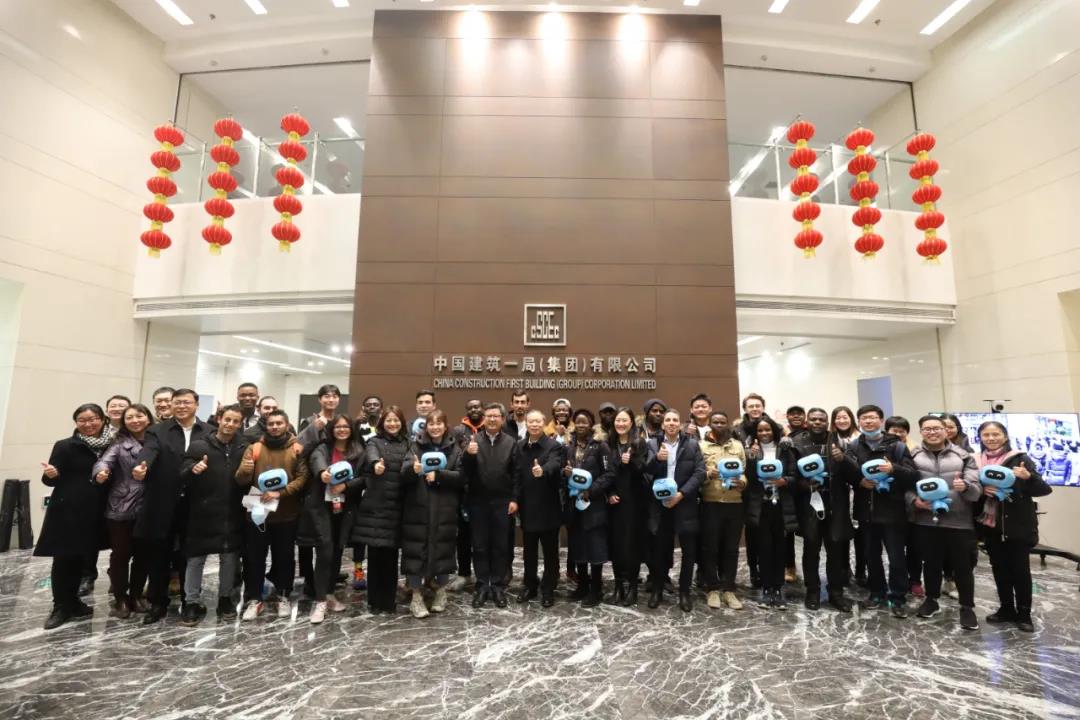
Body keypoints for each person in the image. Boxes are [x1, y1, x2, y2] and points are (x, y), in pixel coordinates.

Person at [133, 388, 211, 624]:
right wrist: (142, 466)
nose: (181, 406)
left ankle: (190, 602)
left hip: (196, 503)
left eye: (186, 402)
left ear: (196, 405)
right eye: (177, 402)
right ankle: (158, 602)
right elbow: (150, 451)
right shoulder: (157, 431)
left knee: (190, 555)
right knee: (159, 553)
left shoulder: (209, 431)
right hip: (163, 502)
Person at [837, 404, 919, 618]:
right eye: (864, 418)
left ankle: (898, 597)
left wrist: (894, 469)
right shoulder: (854, 446)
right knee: (871, 556)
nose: (868, 421)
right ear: (859, 422)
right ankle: (876, 593)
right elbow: (848, 474)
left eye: (872, 418)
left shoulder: (897, 445)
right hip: (866, 510)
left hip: (893, 510)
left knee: (896, 557)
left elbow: (913, 475)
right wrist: (859, 481)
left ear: (881, 421)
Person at [37, 403, 111, 630]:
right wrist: (51, 474)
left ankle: (74, 602)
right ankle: (60, 606)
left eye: (93, 419)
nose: (88, 424)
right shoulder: (66, 445)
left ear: (102, 420)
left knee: (82, 558)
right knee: (63, 558)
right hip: (68, 510)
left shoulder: (111, 445)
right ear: (76, 423)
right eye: (82, 420)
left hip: (96, 511)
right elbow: (49, 480)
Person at [974, 421, 1051, 632]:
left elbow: (1044, 489)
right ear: (980, 438)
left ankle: (1024, 614)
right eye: (986, 435)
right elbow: (971, 489)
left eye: (995, 434)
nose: (991, 438)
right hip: (991, 525)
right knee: (999, 569)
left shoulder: (1020, 459)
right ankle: (1006, 609)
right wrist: (981, 490)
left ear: (1005, 436)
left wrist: (1029, 477)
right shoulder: (976, 460)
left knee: (1020, 571)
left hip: (1018, 524)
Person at [908, 414, 981, 630]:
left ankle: (967, 607)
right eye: (927, 429)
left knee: (963, 566)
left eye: (936, 428)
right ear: (921, 432)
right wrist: (914, 501)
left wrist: (966, 487)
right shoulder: (913, 456)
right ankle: (931, 600)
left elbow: (976, 490)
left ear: (945, 430)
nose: (932, 432)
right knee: (930, 563)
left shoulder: (963, 456)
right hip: (926, 520)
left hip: (959, 521)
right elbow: (906, 486)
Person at [236, 409, 308, 621]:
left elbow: (303, 478)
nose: (275, 427)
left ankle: (283, 596)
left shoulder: (297, 449)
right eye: (271, 423)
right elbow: (240, 480)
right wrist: (246, 470)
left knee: (284, 557)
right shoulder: (254, 448)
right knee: (254, 558)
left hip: (286, 514)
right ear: (266, 426)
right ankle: (254, 599)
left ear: (286, 425)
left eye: (279, 423)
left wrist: (281, 492)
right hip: (257, 514)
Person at [179, 404, 248, 624]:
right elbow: (182, 473)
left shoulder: (244, 447)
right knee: (196, 559)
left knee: (229, 558)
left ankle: (225, 599)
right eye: (227, 419)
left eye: (235, 421)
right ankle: (191, 602)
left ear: (240, 424)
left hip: (232, 511)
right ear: (219, 419)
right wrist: (193, 469)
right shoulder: (199, 446)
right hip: (202, 511)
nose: (230, 424)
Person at [788, 408, 854, 612]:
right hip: (809, 504)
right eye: (813, 419)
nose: (817, 422)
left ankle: (836, 593)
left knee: (836, 551)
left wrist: (843, 458)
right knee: (811, 550)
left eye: (821, 419)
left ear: (827, 422)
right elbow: (791, 475)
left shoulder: (840, 441)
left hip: (836, 503)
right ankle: (812, 591)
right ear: (807, 421)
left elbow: (855, 475)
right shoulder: (796, 443)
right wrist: (805, 485)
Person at [402, 409, 465, 618]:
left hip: (445, 507)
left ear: (445, 426)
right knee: (415, 551)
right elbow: (404, 473)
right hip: (418, 507)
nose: (435, 427)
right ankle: (416, 597)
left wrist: (439, 476)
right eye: (431, 423)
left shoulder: (455, 448)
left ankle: (441, 592)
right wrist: (413, 470)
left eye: (439, 423)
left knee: (443, 551)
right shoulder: (414, 446)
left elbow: (461, 477)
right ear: (426, 426)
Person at [92, 403, 153, 618]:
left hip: (149, 505)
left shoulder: (157, 442)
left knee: (143, 555)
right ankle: (120, 599)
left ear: (148, 418)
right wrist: (101, 473)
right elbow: (103, 462)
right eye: (130, 417)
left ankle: (136, 595)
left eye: (139, 416)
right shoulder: (119, 443)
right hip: (121, 505)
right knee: (121, 554)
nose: (135, 420)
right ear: (124, 422)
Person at [301, 414, 363, 623]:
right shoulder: (323, 448)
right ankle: (319, 601)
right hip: (322, 507)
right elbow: (316, 462)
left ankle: (329, 594)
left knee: (337, 550)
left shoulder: (357, 450)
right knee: (325, 550)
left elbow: (363, 478)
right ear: (332, 429)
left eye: (346, 426)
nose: (342, 430)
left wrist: (346, 486)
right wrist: (323, 474)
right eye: (338, 427)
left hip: (346, 508)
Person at [349, 405, 410, 614]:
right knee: (375, 556)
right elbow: (372, 456)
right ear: (383, 423)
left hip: (397, 506)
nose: (392, 424)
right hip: (376, 507)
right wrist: (376, 464)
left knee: (391, 558)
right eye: (389, 420)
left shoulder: (408, 444)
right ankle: (374, 601)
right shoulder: (374, 442)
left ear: (401, 422)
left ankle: (388, 601)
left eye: (396, 420)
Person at [645, 409, 705, 612]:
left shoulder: (692, 444)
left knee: (688, 551)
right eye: (668, 420)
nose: (671, 423)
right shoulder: (652, 444)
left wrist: (681, 494)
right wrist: (657, 460)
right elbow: (645, 472)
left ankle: (684, 592)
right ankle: (657, 590)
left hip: (684, 503)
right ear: (663, 424)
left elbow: (700, 472)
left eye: (675, 420)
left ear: (680, 424)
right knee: (660, 550)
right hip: (660, 505)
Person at [463, 403, 518, 608]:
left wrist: (514, 499)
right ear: (484, 419)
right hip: (478, 502)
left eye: (496, 416)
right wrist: (468, 454)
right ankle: (481, 586)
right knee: (479, 546)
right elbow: (464, 472)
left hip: (502, 503)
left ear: (502, 419)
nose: (492, 419)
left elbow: (516, 474)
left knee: (500, 546)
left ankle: (497, 586)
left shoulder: (511, 442)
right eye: (489, 416)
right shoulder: (473, 440)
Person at [510, 410, 564, 608]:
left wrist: (543, 470)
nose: (534, 424)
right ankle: (530, 585)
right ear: (526, 423)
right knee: (529, 552)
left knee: (550, 552)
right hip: (528, 507)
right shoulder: (520, 446)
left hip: (549, 507)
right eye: (530, 421)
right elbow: (516, 475)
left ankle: (548, 588)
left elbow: (555, 464)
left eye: (537, 421)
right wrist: (514, 499)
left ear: (543, 423)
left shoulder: (554, 446)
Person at [745, 416, 797, 609]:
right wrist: (751, 459)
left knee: (780, 548)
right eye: (760, 430)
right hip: (761, 507)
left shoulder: (784, 449)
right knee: (764, 548)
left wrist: (785, 481)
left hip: (781, 506)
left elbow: (794, 475)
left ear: (774, 430)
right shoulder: (751, 451)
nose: (764, 433)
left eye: (767, 429)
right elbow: (749, 479)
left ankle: (779, 588)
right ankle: (767, 589)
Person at [563, 408, 613, 607]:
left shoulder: (601, 446)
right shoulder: (569, 446)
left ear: (591, 424)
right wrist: (565, 473)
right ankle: (582, 585)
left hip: (594, 504)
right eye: (578, 422)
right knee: (578, 546)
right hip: (574, 504)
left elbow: (609, 474)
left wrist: (590, 491)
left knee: (595, 547)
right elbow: (565, 473)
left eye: (585, 422)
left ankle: (596, 589)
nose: (581, 425)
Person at [698, 411, 747, 610]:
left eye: (722, 422)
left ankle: (729, 589)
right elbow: (696, 473)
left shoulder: (737, 446)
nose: (719, 425)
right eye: (715, 422)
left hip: (735, 503)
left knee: (731, 549)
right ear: (710, 424)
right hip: (710, 502)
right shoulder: (701, 446)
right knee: (710, 548)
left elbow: (744, 471)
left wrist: (742, 482)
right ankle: (712, 589)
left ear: (728, 424)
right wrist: (708, 474)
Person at [606, 407, 649, 606]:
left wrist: (631, 461)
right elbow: (605, 473)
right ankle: (618, 587)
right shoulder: (609, 444)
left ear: (631, 422)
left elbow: (643, 471)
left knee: (631, 545)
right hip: (614, 502)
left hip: (634, 502)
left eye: (624, 420)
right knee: (616, 545)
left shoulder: (639, 443)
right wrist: (609, 493)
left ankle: (632, 587)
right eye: (618, 420)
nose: (620, 424)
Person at [447, 399, 484, 593]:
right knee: (463, 536)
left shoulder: (489, 429)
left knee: (483, 536)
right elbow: (453, 456)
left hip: (485, 490)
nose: (474, 410)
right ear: (466, 410)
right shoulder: (458, 431)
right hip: (463, 491)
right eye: (470, 407)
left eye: (477, 407)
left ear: (482, 409)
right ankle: (463, 573)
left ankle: (483, 574)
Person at [886, 415, 924, 599]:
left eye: (902, 431)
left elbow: (915, 476)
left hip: (916, 505)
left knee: (915, 546)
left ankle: (915, 580)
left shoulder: (916, 450)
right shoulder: (886, 449)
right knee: (897, 550)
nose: (898, 434)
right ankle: (899, 584)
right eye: (894, 430)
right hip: (895, 506)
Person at [735, 393, 770, 587]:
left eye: (758, 405)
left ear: (763, 407)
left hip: (771, 487)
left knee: (769, 533)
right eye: (751, 406)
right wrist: (748, 455)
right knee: (752, 532)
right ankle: (754, 570)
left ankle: (770, 569)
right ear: (745, 409)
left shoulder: (774, 427)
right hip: (748, 489)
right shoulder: (737, 431)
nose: (755, 408)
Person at [831, 405, 862, 585]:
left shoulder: (860, 438)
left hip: (860, 489)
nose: (842, 421)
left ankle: (861, 569)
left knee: (861, 535)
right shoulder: (830, 439)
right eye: (838, 418)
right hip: (840, 492)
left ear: (851, 419)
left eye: (845, 417)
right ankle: (844, 567)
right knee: (842, 532)